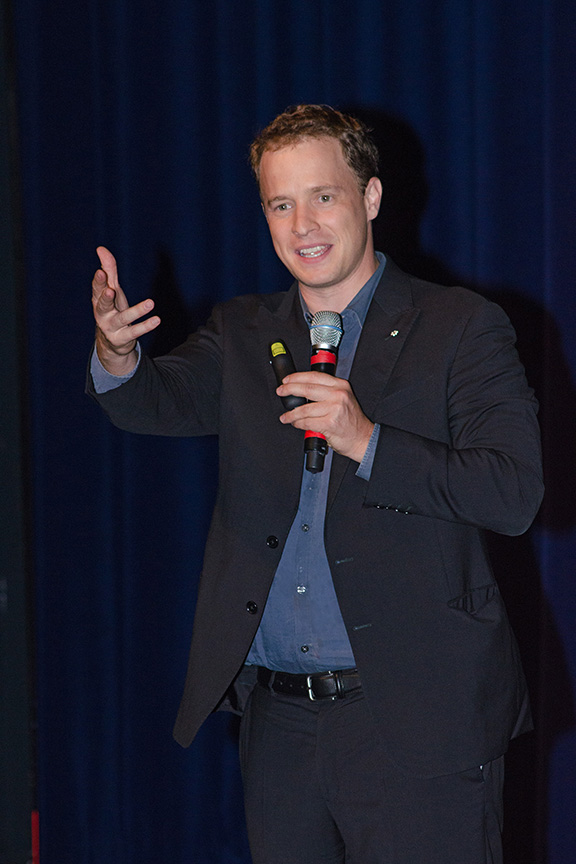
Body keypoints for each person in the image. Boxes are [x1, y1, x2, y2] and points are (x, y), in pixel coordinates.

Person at [88, 104, 544, 864]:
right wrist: (117, 354)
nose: (303, 224)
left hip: (418, 718)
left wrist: (366, 440)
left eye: (323, 196)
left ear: (371, 196)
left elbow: (513, 492)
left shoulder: (459, 326)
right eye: (281, 204)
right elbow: (153, 402)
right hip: (280, 725)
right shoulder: (244, 331)